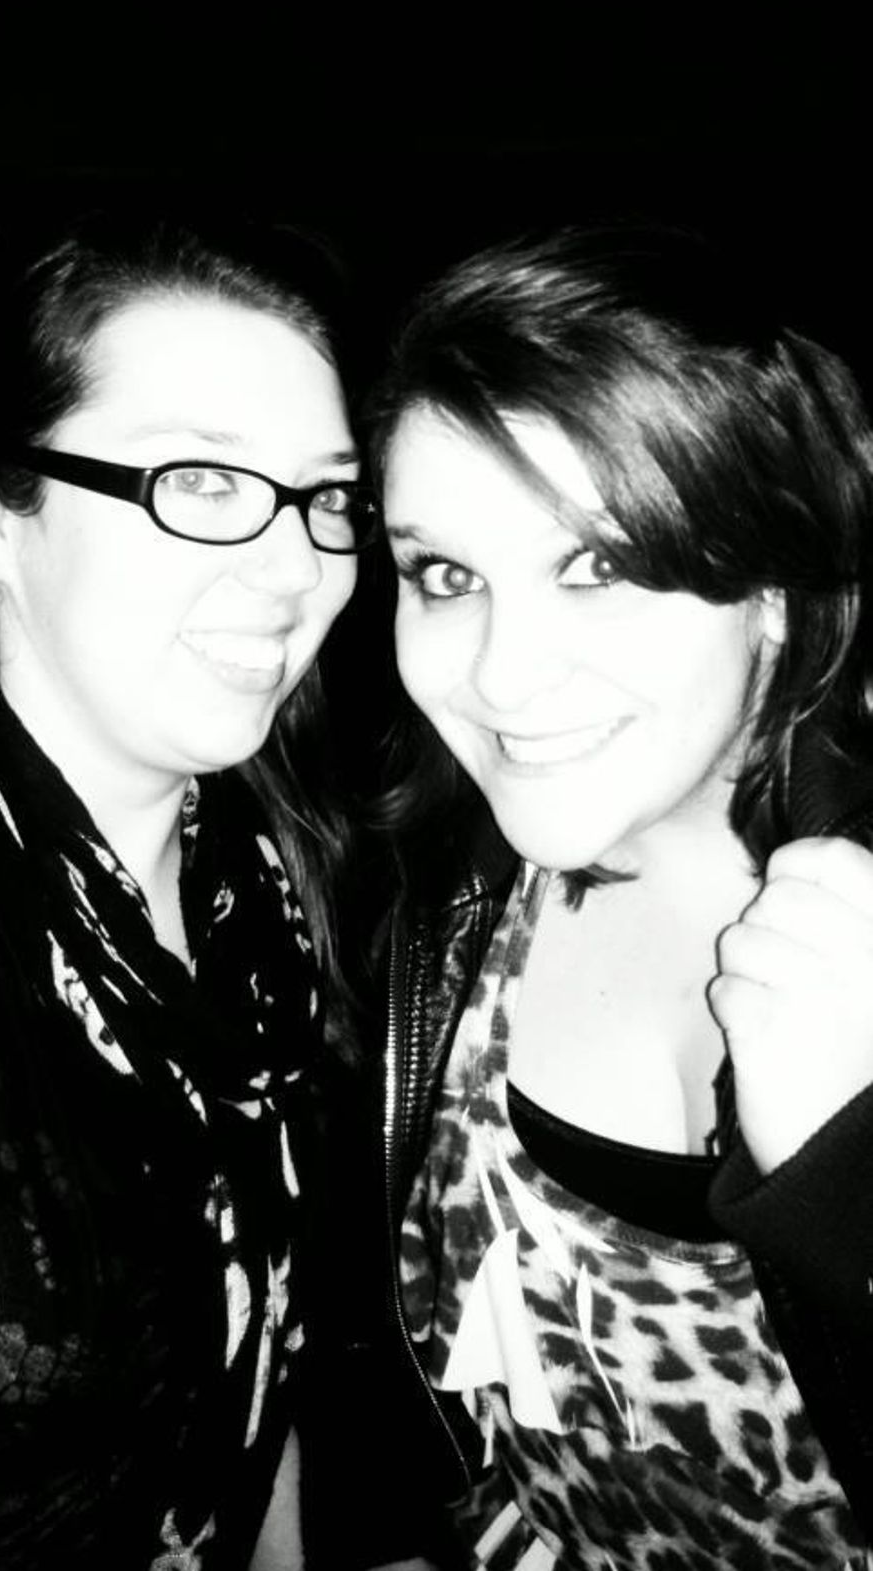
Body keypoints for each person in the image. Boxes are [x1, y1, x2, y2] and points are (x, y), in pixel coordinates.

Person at [360, 222, 873, 1568]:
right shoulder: (448, 885)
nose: (500, 675)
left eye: (596, 565)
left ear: (774, 586)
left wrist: (846, 1175)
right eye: (444, 575)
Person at [0, 205, 380, 1569]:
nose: (297, 569)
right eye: (202, 481)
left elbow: (264, 1375)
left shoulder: (283, 871)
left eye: (327, 496)